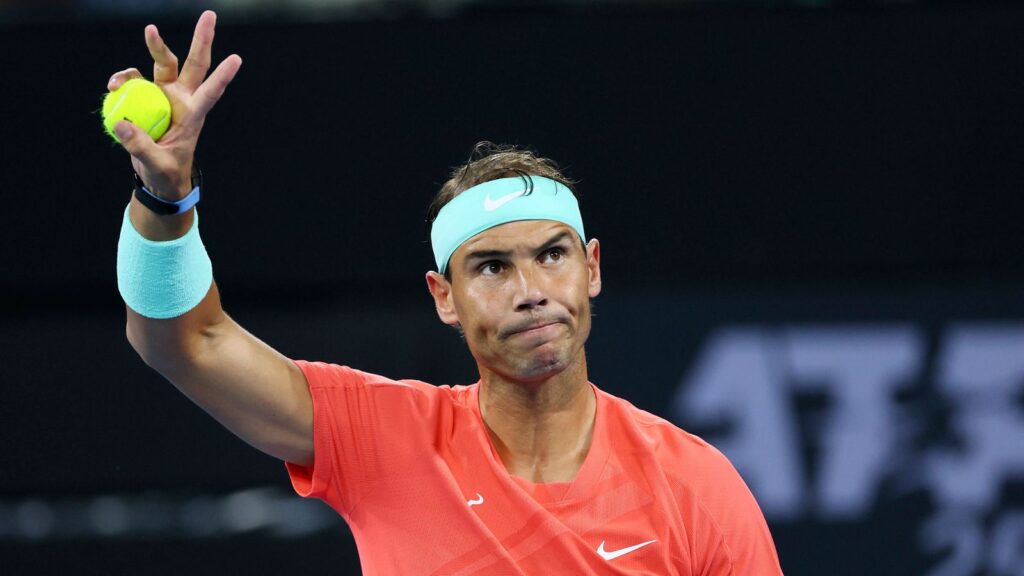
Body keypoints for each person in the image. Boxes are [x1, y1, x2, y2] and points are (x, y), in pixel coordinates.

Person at [112, 11, 784, 575]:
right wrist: (163, 198)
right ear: (444, 297)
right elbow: (184, 343)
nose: (530, 291)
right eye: (491, 268)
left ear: (593, 268)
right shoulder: (382, 438)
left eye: (552, 256)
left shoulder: (696, 485)